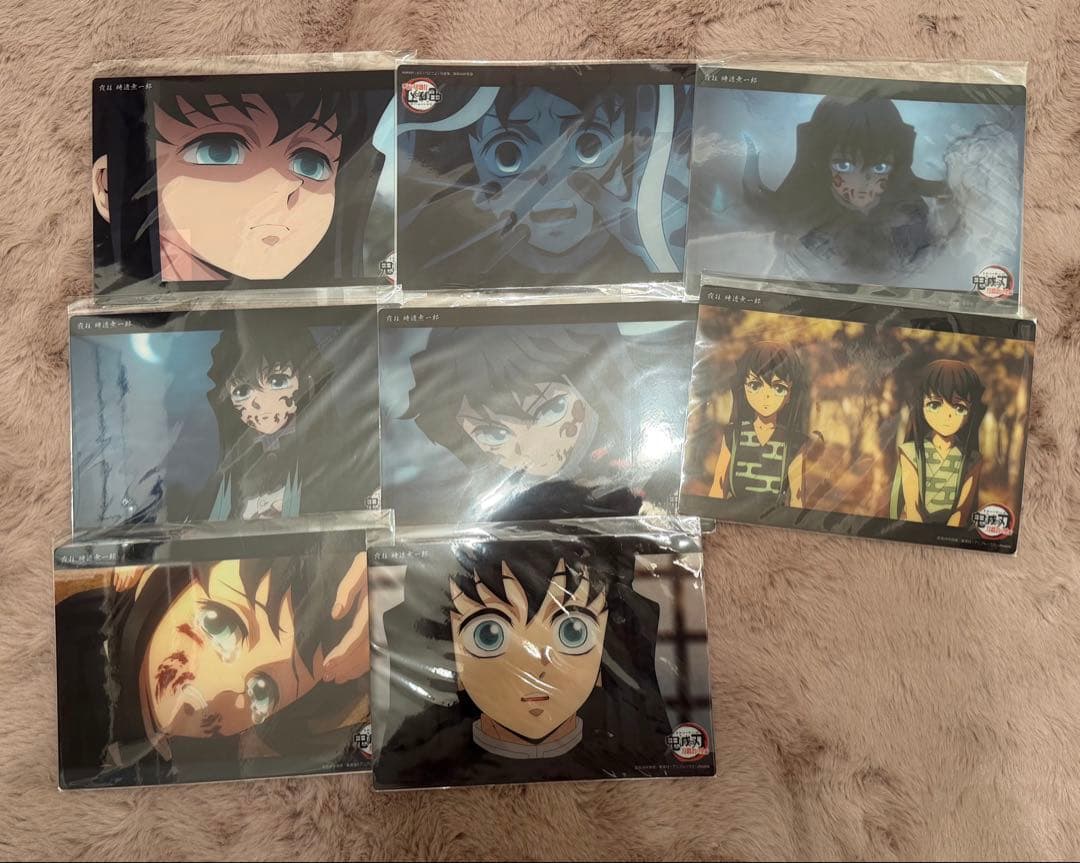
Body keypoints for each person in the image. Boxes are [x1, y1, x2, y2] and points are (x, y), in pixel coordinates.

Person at [55, 549, 371, 787]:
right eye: (220, 624)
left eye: (263, 692)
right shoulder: (72, 644)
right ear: (169, 577)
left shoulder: (209, 773)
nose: (225, 689)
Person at [890, 359, 986, 526]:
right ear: (920, 405)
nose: (947, 415)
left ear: (971, 412)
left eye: (959, 408)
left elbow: (961, 511)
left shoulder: (972, 459)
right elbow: (912, 507)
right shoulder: (910, 453)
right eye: (934, 405)